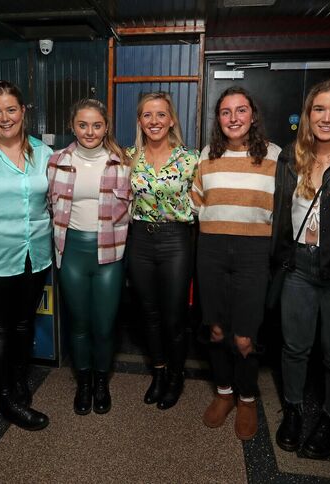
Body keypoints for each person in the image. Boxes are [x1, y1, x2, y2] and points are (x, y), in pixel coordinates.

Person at [270, 79, 330, 457]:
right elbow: (279, 214)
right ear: (308, 115)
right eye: (319, 109)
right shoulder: (291, 158)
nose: (327, 117)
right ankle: (292, 410)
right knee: (294, 348)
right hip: (299, 266)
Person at [0, 80, 54, 430]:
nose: (5, 118)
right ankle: (6, 399)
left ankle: (18, 380)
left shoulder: (42, 152)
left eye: (11, 110)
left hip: (37, 253)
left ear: (23, 111)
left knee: (23, 323)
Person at [192, 87, 281, 440]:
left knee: (245, 336)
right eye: (226, 112)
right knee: (215, 329)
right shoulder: (206, 155)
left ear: (253, 115)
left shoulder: (275, 156)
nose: (233, 118)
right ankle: (225, 394)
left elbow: (282, 208)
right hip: (211, 247)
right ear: (218, 119)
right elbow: (196, 201)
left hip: (254, 251)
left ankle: (247, 399)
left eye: (241, 110)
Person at [47, 99, 132, 415]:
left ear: (106, 126)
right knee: (79, 323)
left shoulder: (123, 162)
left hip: (109, 254)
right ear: (73, 126)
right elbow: (48, 205)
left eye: (97, 125)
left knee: (105, 325)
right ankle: (83, 383)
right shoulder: (57, 161)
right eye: (83, 125)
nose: (90, 131)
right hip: (72, 254)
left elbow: (133, 207)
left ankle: (101, 382)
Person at [126, 92, 199, 410]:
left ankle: (175, 376)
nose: (154, 121)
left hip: (176, 240)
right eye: (147, 115)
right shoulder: (129, 157)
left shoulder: (192, 159)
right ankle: (158, 372)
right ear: (140, 121)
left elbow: (206, 202)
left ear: (171, 120)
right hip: (140, 239)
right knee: (148, 313)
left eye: (160, 115)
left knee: (174, 316)